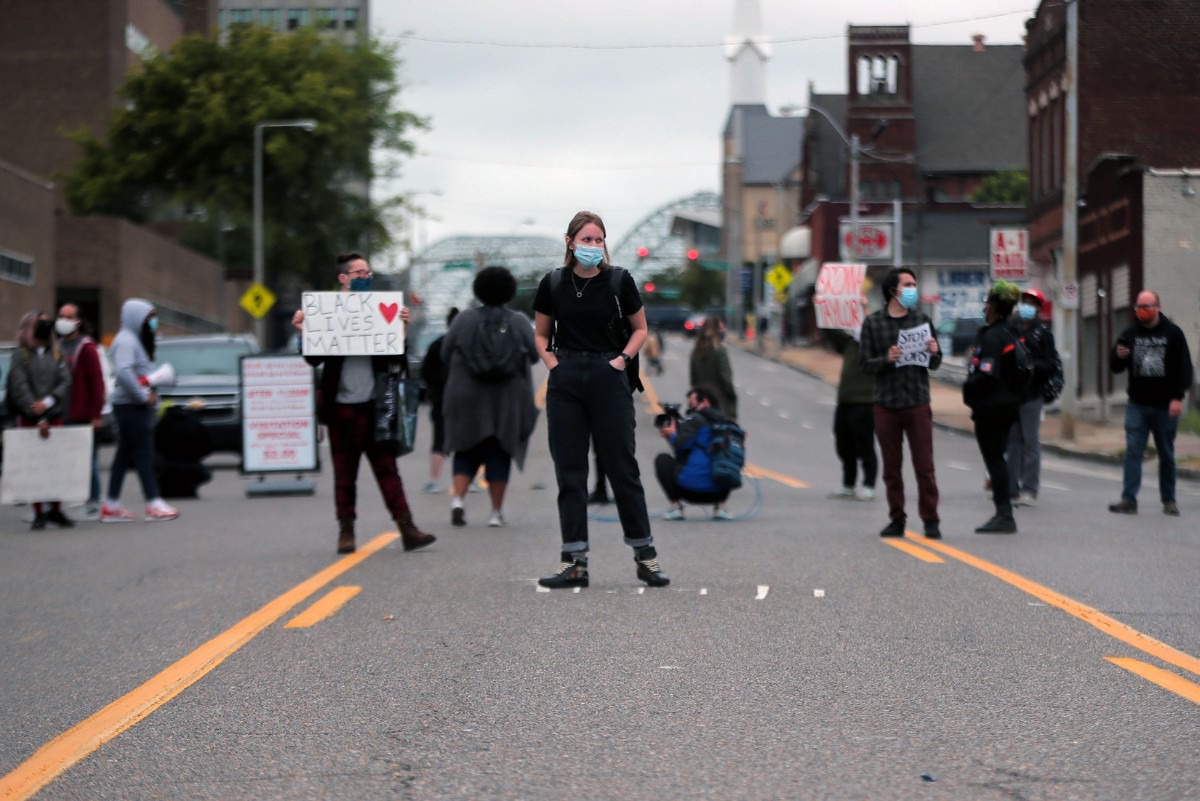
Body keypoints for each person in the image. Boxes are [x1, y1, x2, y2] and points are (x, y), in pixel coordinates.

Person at [532, 210, 668, 588]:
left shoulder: (620, 280)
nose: (593, 246)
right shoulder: (554, 283)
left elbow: (640, 328)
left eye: (599, 239)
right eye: (587, 239)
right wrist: (553, 364)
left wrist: (621, 359)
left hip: (609, 376)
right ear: (570, 241)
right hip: (567, 378)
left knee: (622, 468)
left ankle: (646, 556)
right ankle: (574, 560)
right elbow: (541, 334)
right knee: (570, 472)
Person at [293, 252, 435, 553]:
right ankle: (346, 532)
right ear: (343, 278)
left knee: (387, 468)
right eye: (359, 273)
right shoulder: (326, 310)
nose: (365, 277)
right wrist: (305, 332)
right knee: (345, 472)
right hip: (341, 406)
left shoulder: (378, 309)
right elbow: (313, 358)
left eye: (368, 272)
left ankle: (407, 528)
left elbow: (396, 358)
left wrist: (402, 329)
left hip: (376, 405)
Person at [440, 266, 539, 528]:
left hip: (466, 394)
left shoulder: (463, 320)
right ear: (509, 290)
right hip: (507, 398)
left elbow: (445, 353)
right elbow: (534, 355)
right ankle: (495, 512)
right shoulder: (517, 321)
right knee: (500, 449)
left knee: (466, 448)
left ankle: (458, 500)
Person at [859, 267, 943, 539]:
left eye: (914, 284)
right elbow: (865, 364)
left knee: (925, 467)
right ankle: (897, 518)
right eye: (907, 285)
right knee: (892, 469)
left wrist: (934, 352)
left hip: (917, 401)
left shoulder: (922, 320)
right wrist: (887, 359)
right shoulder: (873, 323)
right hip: (887, 403)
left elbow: (935, 363)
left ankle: (931, 519)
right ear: (893, 290)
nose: (912, 289)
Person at [1108, 290, 1194, 516]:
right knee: (1133, 451)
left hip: (1165, 406)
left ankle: (1169, 500)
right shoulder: (1130, 333)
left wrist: (1177, 398)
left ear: (1158, 306)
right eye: (1139, 307)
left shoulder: (1173, 334)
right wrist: (1118, 355)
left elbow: (1184, 369)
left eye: (1147, 306)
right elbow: (1115, 366)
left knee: (1166, 453)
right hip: (1137, 404)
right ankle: (1129, 499)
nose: (1142, 311)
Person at [101, 299, 179, 523]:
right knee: (144, 453)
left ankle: (112, 504)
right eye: (149, 317)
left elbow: (129, 372)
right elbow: (124, 372)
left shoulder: (129, 339)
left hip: (129, 405)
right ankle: (153, 502)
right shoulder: (127, 341)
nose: (153, 322)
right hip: (132, 407)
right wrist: (144, 396)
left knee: (124, 454)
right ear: (137, 318)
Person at [962, 281, 1025, 534]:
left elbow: (987, 373)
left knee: (995, 460)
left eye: (987, 303)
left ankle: (1004, 514)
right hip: (1009, 405)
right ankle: (1004, 512)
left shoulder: (993, 336)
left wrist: (968, 388)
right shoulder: (1011, 332)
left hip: (992, 407)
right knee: (998, 458)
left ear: (995, 307)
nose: (984, 308)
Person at [7, 311, 74, 529]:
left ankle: (56, 509)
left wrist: (48, 402)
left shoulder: (56, 353)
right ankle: (39, 512)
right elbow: (19, 387)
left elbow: (65, 380)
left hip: (53, 413)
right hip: (30, 418)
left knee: (57, 465)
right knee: (34, 466)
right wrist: (37, 416)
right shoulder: (21, 355)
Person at [1004, 288, 1059, 507]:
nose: (1027, 306)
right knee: (1012, 442)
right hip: (1012, 395)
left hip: (1032, 395)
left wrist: (1032, 367)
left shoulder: (1043, 334)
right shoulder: (1012, 330)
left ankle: (1030, 488)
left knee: (1030, 441)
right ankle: (1011, 487)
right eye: (1024, 301)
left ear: (1038, 308)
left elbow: (1051, 364)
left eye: (1031, 303)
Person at [821, 293, 877, 501]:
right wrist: (824, 307)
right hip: (845, 400)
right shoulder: (851, 344)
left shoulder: (874, 344)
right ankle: (848, 483)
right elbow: (830, 332)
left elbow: (873, 327)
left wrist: (864, 307)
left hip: (865, 401)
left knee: (864, 444)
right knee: (843, 442)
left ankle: (869, 483)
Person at [56, 304, 107, 519]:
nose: (64, 320)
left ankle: (94, 499)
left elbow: (97, 382)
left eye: (69, 317)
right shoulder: (56, 346)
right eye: (61, 316)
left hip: (81, 412)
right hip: (61, 412)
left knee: (88, 458)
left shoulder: (86, 347)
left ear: (78, 321)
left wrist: (96, 413)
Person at [654, 387, 734, 521]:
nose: (689, 408)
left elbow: (680, 446)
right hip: (718, 492)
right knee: (729, 459)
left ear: (705, 402)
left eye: (691, 403)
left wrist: (672, 434)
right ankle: (721, 507)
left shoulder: (695, 419)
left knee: (662, 459)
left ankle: (676, 507)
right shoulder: (727, 423)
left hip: (688, 491)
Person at [420, 306, 459, 494]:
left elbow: (425, 372)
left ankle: (434, 481)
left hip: (441, 397)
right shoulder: (468, 345)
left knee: (439, 439)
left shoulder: (437, 345)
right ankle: (470, 479)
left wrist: (433, 387)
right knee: (470, 440)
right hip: (466, 400)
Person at [690, 316, 737, 421]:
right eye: (721, 329)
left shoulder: (696, 351)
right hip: (718, 400)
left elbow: (693, 379)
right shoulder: (720, 351)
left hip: (700, 400)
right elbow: (725, 378)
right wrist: (732, 396)